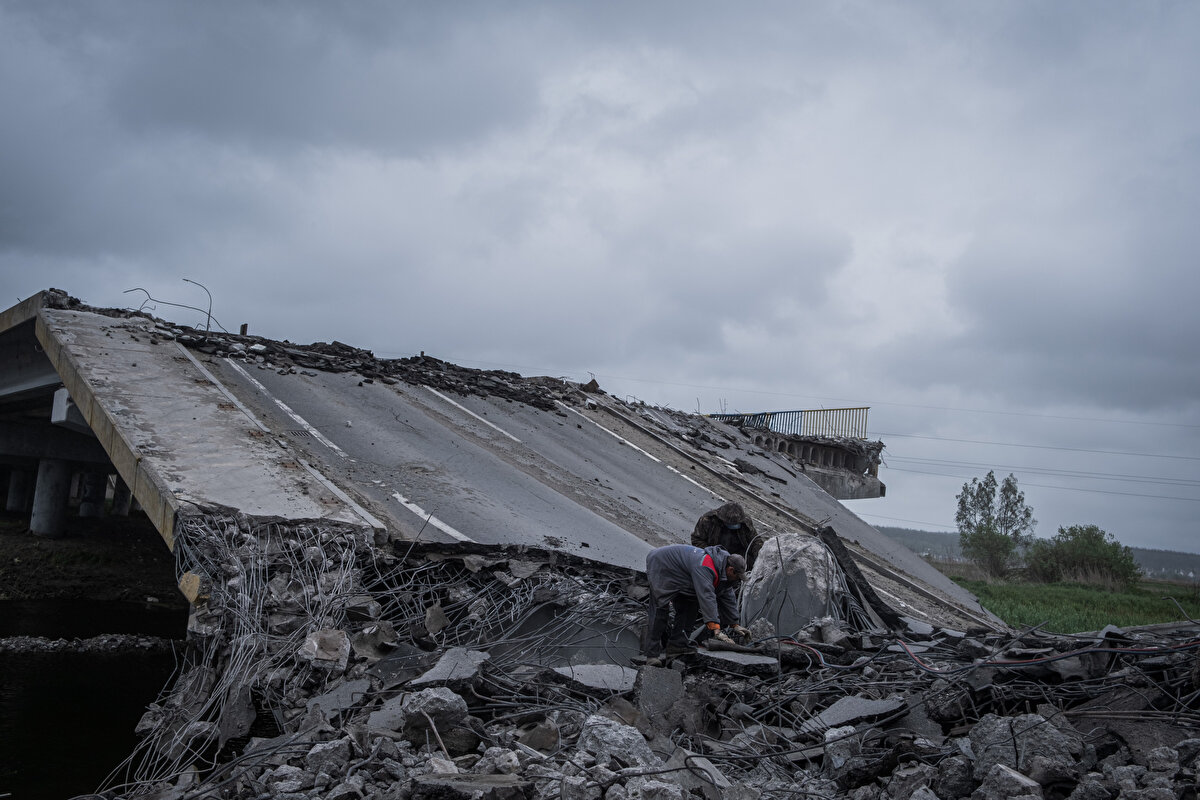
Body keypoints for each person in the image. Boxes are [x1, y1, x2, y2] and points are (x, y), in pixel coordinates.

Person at [643, 543, 749, 665]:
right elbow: (707, 596)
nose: (738, 580)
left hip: (683, 573)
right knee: (660, 609)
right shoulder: (706, 566)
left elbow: (727, 596)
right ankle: (651, 655)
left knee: (690, 607)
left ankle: (677, 646)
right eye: (738, 577)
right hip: (662, 564)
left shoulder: (724, 571)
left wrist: (735, 624)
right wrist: (715, 628)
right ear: (731, 570)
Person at [691, 501, 762, 569]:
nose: (733, 525)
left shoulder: (745, 522)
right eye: (730, 523)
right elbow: (696, 539)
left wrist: (759, 557)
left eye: (735, 523)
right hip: (714, 554)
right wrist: (712, 554)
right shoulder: (708, 520)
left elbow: (755, 541)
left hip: (738, 555)